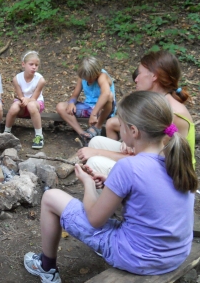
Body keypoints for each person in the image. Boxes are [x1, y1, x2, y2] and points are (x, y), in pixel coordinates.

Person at [24, 91, 197, 282]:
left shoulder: (128, 167)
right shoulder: (177, 160)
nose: (118, 128)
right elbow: (149, 195)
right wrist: (110, 182)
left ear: (133, 131)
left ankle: (46, 267)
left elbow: (95, 220)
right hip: (175, 255)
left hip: (139, 259)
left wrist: (89, 185)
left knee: (51, 198)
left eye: (120, 125)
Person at [78, 51, 195, 175]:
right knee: (96, 142)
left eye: (139, 73)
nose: (136, 79)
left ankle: (108, 192)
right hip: (150, 161)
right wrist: (130, 143)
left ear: (154, 76)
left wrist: (97, 153)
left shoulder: (171, 113)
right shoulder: (156, 103)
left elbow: (148, 160)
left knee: (95, 162)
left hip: (168, 176)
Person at [55, 56, 115, 146]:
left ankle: (97, 128)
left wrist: (94, 114)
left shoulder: (102, 76)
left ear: (97, 72)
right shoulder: (82, 77)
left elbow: (106, 94)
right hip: (89, 107)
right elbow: (75, 95)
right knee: (61, 106)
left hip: (104, 109)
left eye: (91, 77)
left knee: (109, 96)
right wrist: (71, 103)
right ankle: (83, 135)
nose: (88, 80)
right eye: (86, 78)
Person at [4, 51, 46, 149]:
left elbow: (34, 98)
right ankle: (6, 132)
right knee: (14, 107)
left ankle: (39, 136)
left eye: (36, 65)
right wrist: (22, 101)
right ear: (23, 64)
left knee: (31, 105)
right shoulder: (17, 79)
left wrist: (27, 101)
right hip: (22, 102)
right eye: (31, 64)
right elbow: (20, 95)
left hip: (35, 103)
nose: (34, 67)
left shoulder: (40, 80)